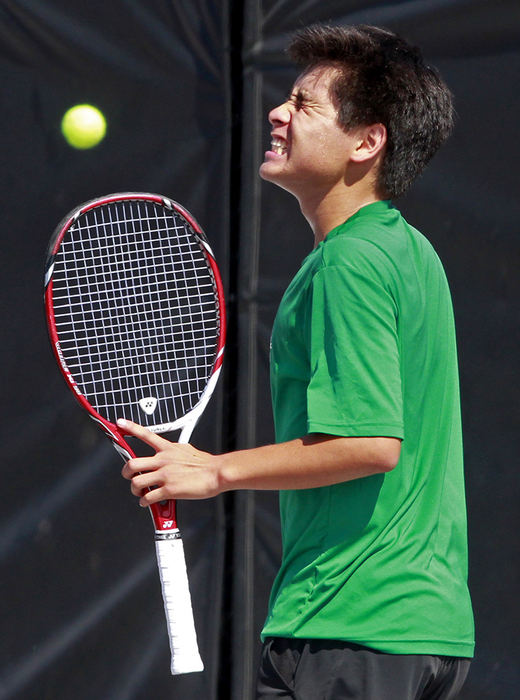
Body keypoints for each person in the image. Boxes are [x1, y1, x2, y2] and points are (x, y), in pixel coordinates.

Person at [120, 23, 474, 699]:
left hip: (351, 626)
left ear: (367, 142)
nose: (278, 114)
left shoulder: (350, 262)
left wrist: (216, 470)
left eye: (305, 105)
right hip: (419, 630)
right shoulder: (408, 251)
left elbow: (370, 443)